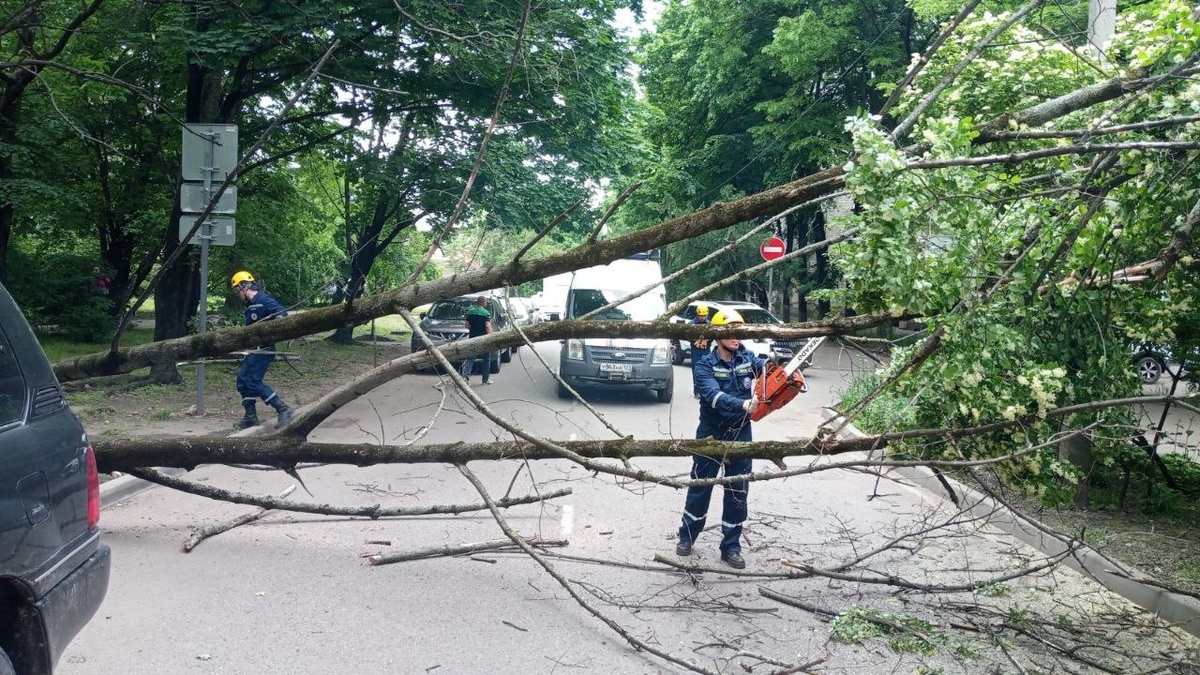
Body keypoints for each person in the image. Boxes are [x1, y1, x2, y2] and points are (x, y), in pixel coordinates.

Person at [676, 308, 767, 569]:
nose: (736, 336)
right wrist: (743, 404)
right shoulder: (705, 365)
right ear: (717, 335)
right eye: (730, 331)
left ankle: (731, 547)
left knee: (738, 490)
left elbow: (765, 370)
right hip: (711, 433)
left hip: (741, 432)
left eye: (740, 331)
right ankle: (687, 535)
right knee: (701, 485)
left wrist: (777, 371)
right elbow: (713, 396)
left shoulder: (748, 359)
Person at [231, 271, 294, 429]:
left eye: (237, 290)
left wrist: (272, 326)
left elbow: (282, 315)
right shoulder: (250, 305)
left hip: (264, 350)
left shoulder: (263, 300)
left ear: (243, 287)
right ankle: (250, 417)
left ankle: (283, 409)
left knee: (253, 382)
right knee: (242, 382)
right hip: (253, 350)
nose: (237, 294)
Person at [461, 295, 493, 385]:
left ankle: (465, 378)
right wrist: (490, 336)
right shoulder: (486, 313)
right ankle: (485, 380)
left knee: (470, 358)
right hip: (484, 339)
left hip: (473, 338)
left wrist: (473, 329)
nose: (486, 304)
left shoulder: (470, 311)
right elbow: (487, 326)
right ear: (483, 302)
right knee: (486, 359)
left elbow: (466, 325)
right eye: (486, 302)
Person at [690, 305, 711, 398]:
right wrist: (695, 341)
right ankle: (697, 391)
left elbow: (714, 335)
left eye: (704, 316)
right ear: (697, 314)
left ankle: (706, 390)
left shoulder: (710, 324)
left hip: (706, 350)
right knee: (696, 369)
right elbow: (686, 335)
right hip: (695, 350)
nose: (702, 318)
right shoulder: (692, 324)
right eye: (701, 316)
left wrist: (707, 340)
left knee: (707, 369)